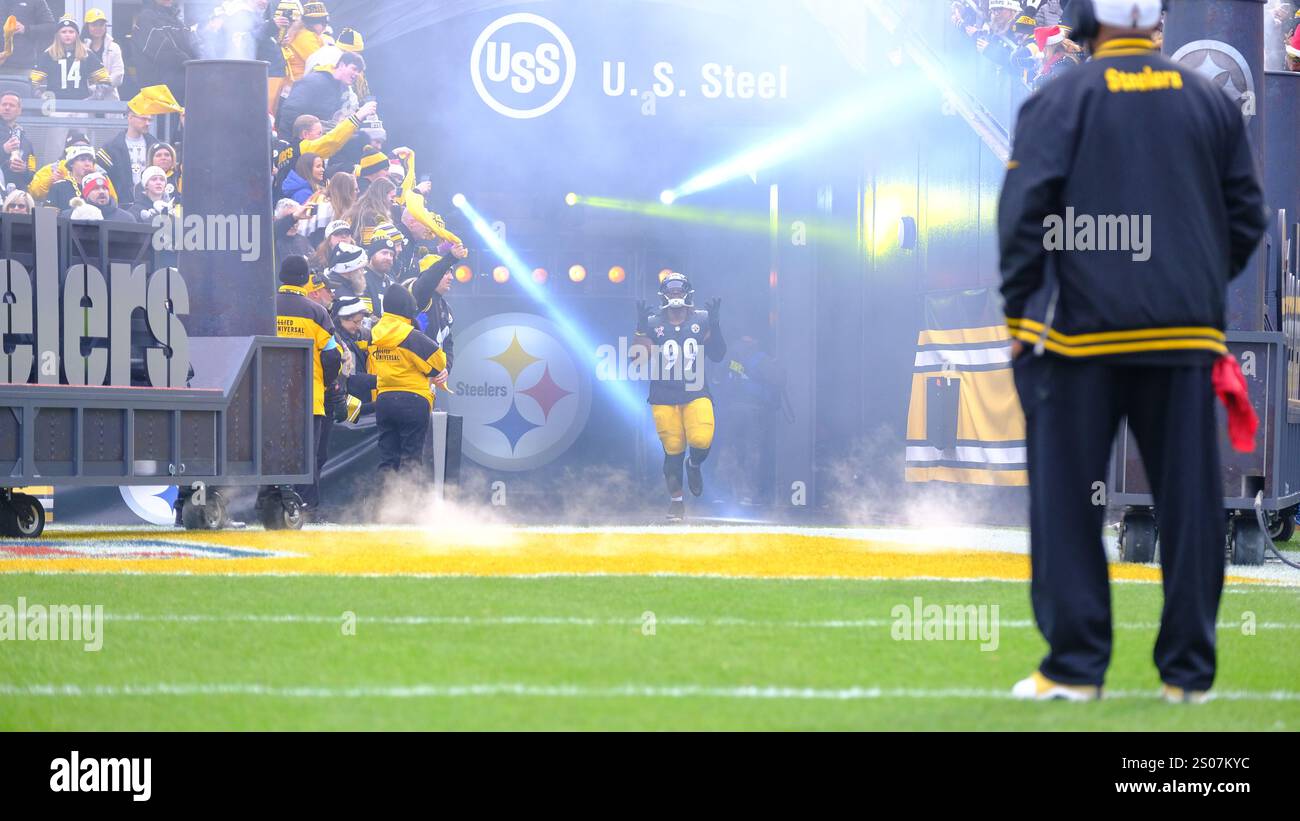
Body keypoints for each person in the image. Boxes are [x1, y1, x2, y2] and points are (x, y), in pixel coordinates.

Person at [998, 0, 1269, 702]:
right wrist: (1195, 279)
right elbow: (1246, 216)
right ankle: (1188, 674)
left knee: (1068, 503)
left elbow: (1023, 214)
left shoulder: (1060, 97)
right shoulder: (1207, 101)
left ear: (1086, 18)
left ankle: (1074, 667)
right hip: (1182, 335)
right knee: (1191, 504)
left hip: (1079, 335)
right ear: (1154, 20)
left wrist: (1021, 317)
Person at [632, 272, 726, 521]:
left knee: (701, 439)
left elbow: (717, 355)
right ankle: (676, 502)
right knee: (673, 449)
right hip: (664, 394)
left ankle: (694, 466)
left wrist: (715, 326)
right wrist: (641, 330)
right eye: (671, 291)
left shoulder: (702, 320)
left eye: (679, 290)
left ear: (688, 293)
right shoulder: (653, 323)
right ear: (664, 294)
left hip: (695, 392)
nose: (675, 295)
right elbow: (637, 360)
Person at [276, 255, 341, 514]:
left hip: (266, 397)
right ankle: (304, 511)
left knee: (269, 455)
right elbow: (332, 355)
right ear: (305, 280)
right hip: (308, 398)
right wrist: (328, 382)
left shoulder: (265, 306)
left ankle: (268, 504)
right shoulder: (317, 312)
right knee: (306, 458)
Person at [366, 282, 447, 474]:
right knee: (411, 460)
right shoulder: (411, 336)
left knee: (387, 459)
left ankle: (384, 502)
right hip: (413, 399)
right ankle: (409, 503)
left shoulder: (374, 334)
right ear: (407, 308)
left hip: (384, 399)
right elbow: (438, 363)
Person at [277, 50, 364, 135]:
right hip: (302, 141)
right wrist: (288, 141)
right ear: (341, 65)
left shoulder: (343, 90)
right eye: (354, 69)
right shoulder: (314, 81)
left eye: (359, 71)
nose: (356, 74)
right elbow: (291, 110)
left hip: (321, 142)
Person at [132, 0, 201, 107]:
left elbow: (194, 46)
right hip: (157, 96)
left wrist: (203, 62)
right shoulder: (145, 18)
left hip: (181, 95)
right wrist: (189, 62)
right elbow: (162, 50)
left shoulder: (178, 21)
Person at [31, 17, 111, 102]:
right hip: (55, 106)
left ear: (77, 34)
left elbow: (105, 80)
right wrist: (42, 97)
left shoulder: (86, 54)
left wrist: (93, 99)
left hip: (81, 106)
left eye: (71, 32)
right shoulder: (49, 54)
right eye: (63, 32)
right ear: (58, 34)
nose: (67, 35)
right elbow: (33, 81)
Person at [98, 96, 159, 206]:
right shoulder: (110, 147)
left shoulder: (155, 145)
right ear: (130, 118)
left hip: (151, 203)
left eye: (150, 120)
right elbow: (102, 177)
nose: (147, 123)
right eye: (143, 119)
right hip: (121, 204)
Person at [82, 8, 123, 99]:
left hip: (110, 99)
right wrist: (90, 89)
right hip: (85, 99)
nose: (98, 28)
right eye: (94, 25)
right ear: (87, 26)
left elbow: (118, 75)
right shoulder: (80, 48)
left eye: (101, 25)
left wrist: (100, 87)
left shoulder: (114, 47)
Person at [63, 171, 135, 222]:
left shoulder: (126, 219)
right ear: (86, 195)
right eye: (96, 188)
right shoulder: (70, 216)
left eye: (104, 188)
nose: (102, 192)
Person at [0, 92, 36, 190]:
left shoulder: (26, 142)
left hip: (17, 200)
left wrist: (24, 170)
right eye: (4, 104)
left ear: (19, 111)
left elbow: (32, 175)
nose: (7, 108)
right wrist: (3, 150)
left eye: (11, 105)